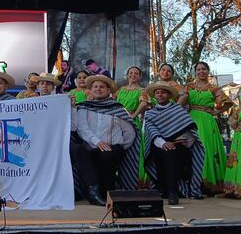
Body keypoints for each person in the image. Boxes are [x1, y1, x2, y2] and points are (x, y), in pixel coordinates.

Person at [74, 75, 139, 206]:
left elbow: (130, 132)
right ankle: (93, 190)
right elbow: (82, 129)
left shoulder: (117, 108)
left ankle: (105, 190)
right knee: (76, 150)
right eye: (95, 87)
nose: (98, 89)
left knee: (107, 154)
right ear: (91, 90)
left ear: (108, 90)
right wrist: (98, 142)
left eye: (102, 87)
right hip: (91, 147)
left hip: (112, 149)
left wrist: (119, 146)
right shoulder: (83, 108)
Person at [143, 81, 205, 205]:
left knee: (173, 153)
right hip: (159, 146)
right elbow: (152, 132)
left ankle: (172, 191)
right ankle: (170, 190)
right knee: (168, 152)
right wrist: (164, 143)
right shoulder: (150, 113)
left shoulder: (178, 109)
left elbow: (189, 132)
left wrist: (177, 142)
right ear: (154, 96)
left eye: (164, 92)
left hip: (180, 146)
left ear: (169, 95)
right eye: (157, 93)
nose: (160, 95)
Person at [177, 62, 231, 195]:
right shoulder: (189, 86)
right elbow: (179, 102)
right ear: (195, 72)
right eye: (199, 69)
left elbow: (228, 103)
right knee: (190, 149)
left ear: (208, 71)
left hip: (207, 121)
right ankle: (191, 181)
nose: (201, 71)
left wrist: (216, 112)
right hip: (191, 119)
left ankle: (207, 183)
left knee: (206, 148)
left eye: (204, 69)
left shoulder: (213, 88)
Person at [114, 66, 151, 187]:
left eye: (136, 73)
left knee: (134, 150)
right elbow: (112, 102)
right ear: (127, 75)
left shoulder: (141, 90)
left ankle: (135, 180)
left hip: (132, 121)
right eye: (131, 73)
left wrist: (133, 116)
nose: (133, 75)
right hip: (117, 121)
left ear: (140, 77)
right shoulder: (121, 90)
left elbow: (144, 103)